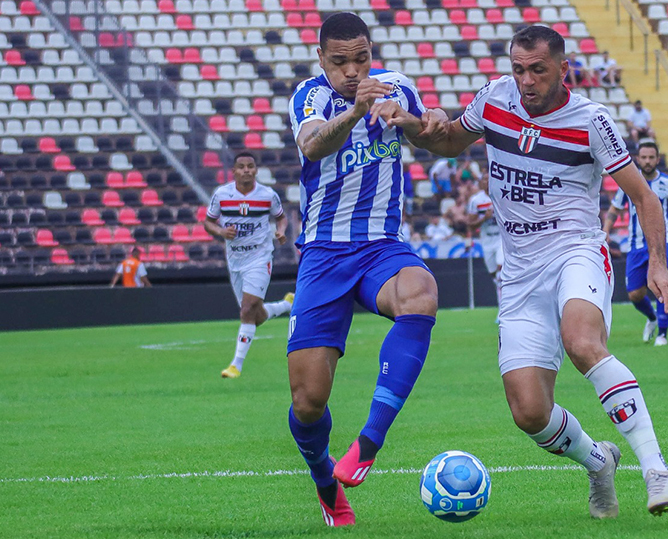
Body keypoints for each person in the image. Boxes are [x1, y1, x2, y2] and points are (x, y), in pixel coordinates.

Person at [373, 25, 668, 519]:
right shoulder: (496, 97)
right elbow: (451, 141)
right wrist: (411, 123)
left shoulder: (591, 121)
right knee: (529, 412)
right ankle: (598, 461)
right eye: (518, 68)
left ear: (563, 69)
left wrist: (657, 262)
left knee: (583, 343)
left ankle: (656, 471)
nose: (525, 80)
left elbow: (644, 197)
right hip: (518, 272)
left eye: (537, 70)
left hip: (574, 251)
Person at [285, 12, 440, 527]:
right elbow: (312, 144)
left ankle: (367, 445)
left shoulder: (397, 86)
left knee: (421, 293)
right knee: (308, 402)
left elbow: (429, 134)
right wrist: (357, 111)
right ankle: (327, 484)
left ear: (372, 52)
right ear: (321, 58)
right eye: (340, 61)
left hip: (380, 247)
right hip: (324, 253)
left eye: (362, 58)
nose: (353, 70)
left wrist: (413, 120)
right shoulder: (309, 96)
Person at [204, 152, 293, 379]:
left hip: (260, 257)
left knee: (247, 310)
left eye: (250, 166)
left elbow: (281, 217)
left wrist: (281, 231)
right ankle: (286, 305)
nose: (246, 170)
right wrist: (222, 232)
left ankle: (236, 365)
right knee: (255, 315)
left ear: (256, 170)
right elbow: (208, 222)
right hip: (235, 260)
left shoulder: (267, 195)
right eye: (241, 167)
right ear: (233, 171)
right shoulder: (222, 195)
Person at [603, 142, 668, 347]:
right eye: (644, 157)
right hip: (635, 245)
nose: (647, 161)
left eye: (651, 157)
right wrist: (605, 232)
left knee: (661, 286)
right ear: (637, 159)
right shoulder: (629, 182)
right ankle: (652, 318)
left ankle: (663, 334)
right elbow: (615, 209)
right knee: (635, 293)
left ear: (657, 159)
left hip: (663, 243)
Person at [465, 173, 504, 310]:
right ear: (481, 183)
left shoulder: (502, 195)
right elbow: (470, 224)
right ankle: (503, 302)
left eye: (489, 179)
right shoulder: (476, 201)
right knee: (494, 275)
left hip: (502, 239)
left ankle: (503, 310)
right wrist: (484, 218)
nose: (487, 182)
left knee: (500, 273)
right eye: (484, 179)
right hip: (487, 240)